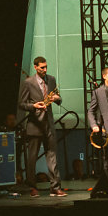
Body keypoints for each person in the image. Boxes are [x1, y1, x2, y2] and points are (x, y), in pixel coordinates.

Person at [19, 56, 64, 197]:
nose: (45, 70)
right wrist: (34, 105)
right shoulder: (28, 82)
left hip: (48, 124)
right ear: (35, 67)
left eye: (46, 67)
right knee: (32, 158)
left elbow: (58, 97)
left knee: (52, 156)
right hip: (35, 124)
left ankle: (55, 187)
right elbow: (21, 104)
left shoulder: (51, 79)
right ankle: (32, 187)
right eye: (42, 67)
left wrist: (57, 98)